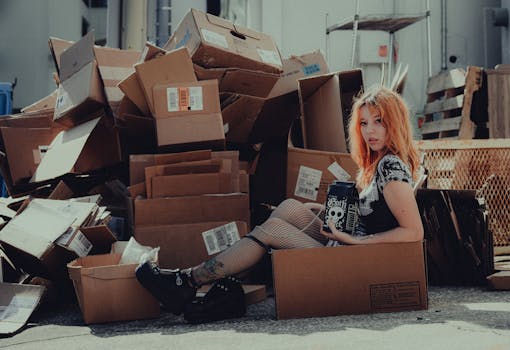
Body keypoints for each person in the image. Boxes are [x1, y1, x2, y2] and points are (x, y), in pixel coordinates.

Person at [135, 85, 424, 324]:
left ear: (394, 123)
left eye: (378, 121)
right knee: (287, 207)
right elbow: (373, 213)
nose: (369, 131)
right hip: (345, 245)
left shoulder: (391, 167)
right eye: (363, 122)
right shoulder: (379, 162)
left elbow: (413, 232)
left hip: (354, 258)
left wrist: (355, 241)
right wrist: (324, 213)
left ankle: (188, 281)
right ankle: (220, 289)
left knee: (272, 228)